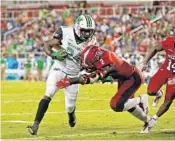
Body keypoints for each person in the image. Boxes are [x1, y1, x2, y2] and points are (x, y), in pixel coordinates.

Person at [27, 14, 97, 135]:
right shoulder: (65, 32)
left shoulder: (93, 42)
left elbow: (92, 61)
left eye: (88, 31)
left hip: (73, 76)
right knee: (48, 94)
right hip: (59, 69)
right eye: (84, 30)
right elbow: (47, 44)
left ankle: (71, 115)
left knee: (69, 106)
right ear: (77, 27)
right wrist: (55, 55)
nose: (86, 34)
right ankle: (35, 125)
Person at [56, 45, 150, 130]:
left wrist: (71, 81)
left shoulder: (107, 64)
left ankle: (142, 99)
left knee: (116, 105)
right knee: (128, 106)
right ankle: (148, 120)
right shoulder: (100, 56)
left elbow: (92, 78)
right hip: (125, 78)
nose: (88, 68)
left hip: (133, 78)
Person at [141, 36, 175, 133]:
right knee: (150, 91)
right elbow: (155, 48)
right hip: (165, 70)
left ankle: (154, 119)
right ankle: (159, 93)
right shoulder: (169, 41)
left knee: (169, 99)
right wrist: (145, 62)